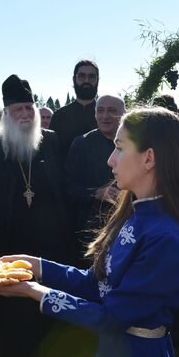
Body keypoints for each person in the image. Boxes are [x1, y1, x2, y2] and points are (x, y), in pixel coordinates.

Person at [0, 107, 179, 357]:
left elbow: (112, 317)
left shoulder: (165, 238)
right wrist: (36, 265)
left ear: (149, 158)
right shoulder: (135, 216)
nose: (110, 160)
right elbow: (98, 284)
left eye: (119, 148)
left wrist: (35, 292)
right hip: (115, 353)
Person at [0, 74, 72, 357]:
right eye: (17, 109)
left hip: (49, 240)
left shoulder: (53, 142)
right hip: (9, 236)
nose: (24, 114)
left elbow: (64, 186)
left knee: (45, 296)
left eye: (28, 108)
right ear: (6, 114)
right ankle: (10, 351)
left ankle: (49, 349)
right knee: (10, 297)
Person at [65, 95, 125, 268]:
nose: (105, 116)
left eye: (112, 111)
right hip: (90, 231)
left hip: (128, 227)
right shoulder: (81, 144)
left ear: (124, 114)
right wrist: (97, 193)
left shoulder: (138, 143)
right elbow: (69, 188)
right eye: (100, 110)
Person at [50, 60, 99, 157]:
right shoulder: (59, 116)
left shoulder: (107, 116)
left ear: (98, 80)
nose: (86, 81)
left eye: (92, 76)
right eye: (81, 76)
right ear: (74, 79)